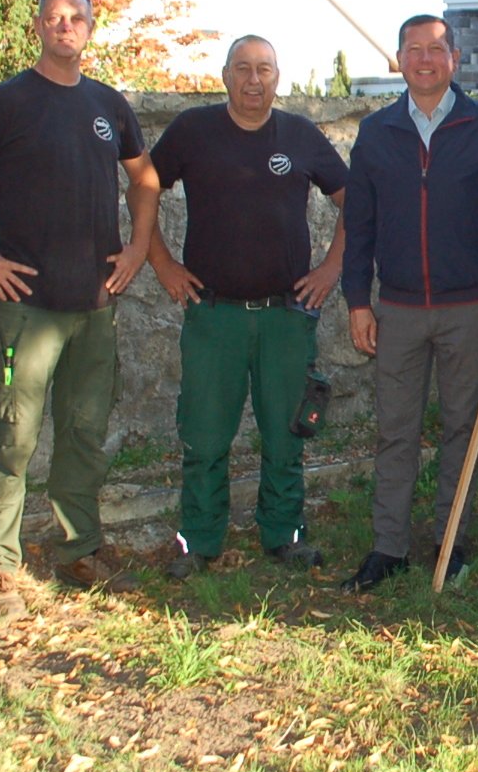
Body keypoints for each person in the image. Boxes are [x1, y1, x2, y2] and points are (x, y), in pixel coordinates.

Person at [0, 0, 161, 610]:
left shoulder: (107, 104)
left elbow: (145, 181)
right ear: (38, 26)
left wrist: (140, 245)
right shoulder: (7, 101)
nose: (65, 25)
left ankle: (79, 550)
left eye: (77, 16)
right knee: (13, 434)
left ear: (91, 27)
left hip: (94, 304)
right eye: (54, 16)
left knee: (85, 430)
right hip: (27, 305)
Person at [337, 14, 478, 592]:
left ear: (455, 60)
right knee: (395, 432)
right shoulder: (377, 133)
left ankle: (452, 543)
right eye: (413, 49)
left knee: (462, 431)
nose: (424, 59)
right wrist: (357, 301)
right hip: (396, 309)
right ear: (398, 59)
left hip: (471, 308)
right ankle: (388, 548)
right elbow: (359, 223)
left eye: (436, 49)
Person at [148, 35, 348, 578]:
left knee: (286, 434)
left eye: (264, 69)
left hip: (286, 315)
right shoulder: (193, 131)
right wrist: (160, 262)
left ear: (277, 77)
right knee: (205, 434)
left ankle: (284, 535)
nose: (253, 79)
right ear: (225, 76)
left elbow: (354, 199)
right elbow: (143, 187)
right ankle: (201, 541)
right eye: (243, 69)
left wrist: (332, 268)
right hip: (214, 315)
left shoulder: (300, 135)